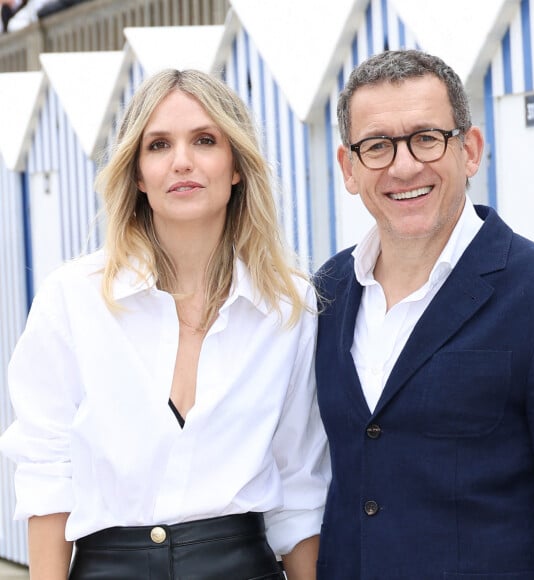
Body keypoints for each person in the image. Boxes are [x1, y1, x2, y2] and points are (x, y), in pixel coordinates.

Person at [0, 68, 329, 579]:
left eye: (204, 140)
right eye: (157, 145)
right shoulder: (75, 298)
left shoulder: (287, 305)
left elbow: (300, 480)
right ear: (135, 174)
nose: (181, 162)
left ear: (237, 165)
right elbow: (48, 471)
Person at [314, 48, 534, 579]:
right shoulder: (328, 293)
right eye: (377, 146)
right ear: (349, 167)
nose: (405, 165)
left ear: (471, 149)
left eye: (426, 138)